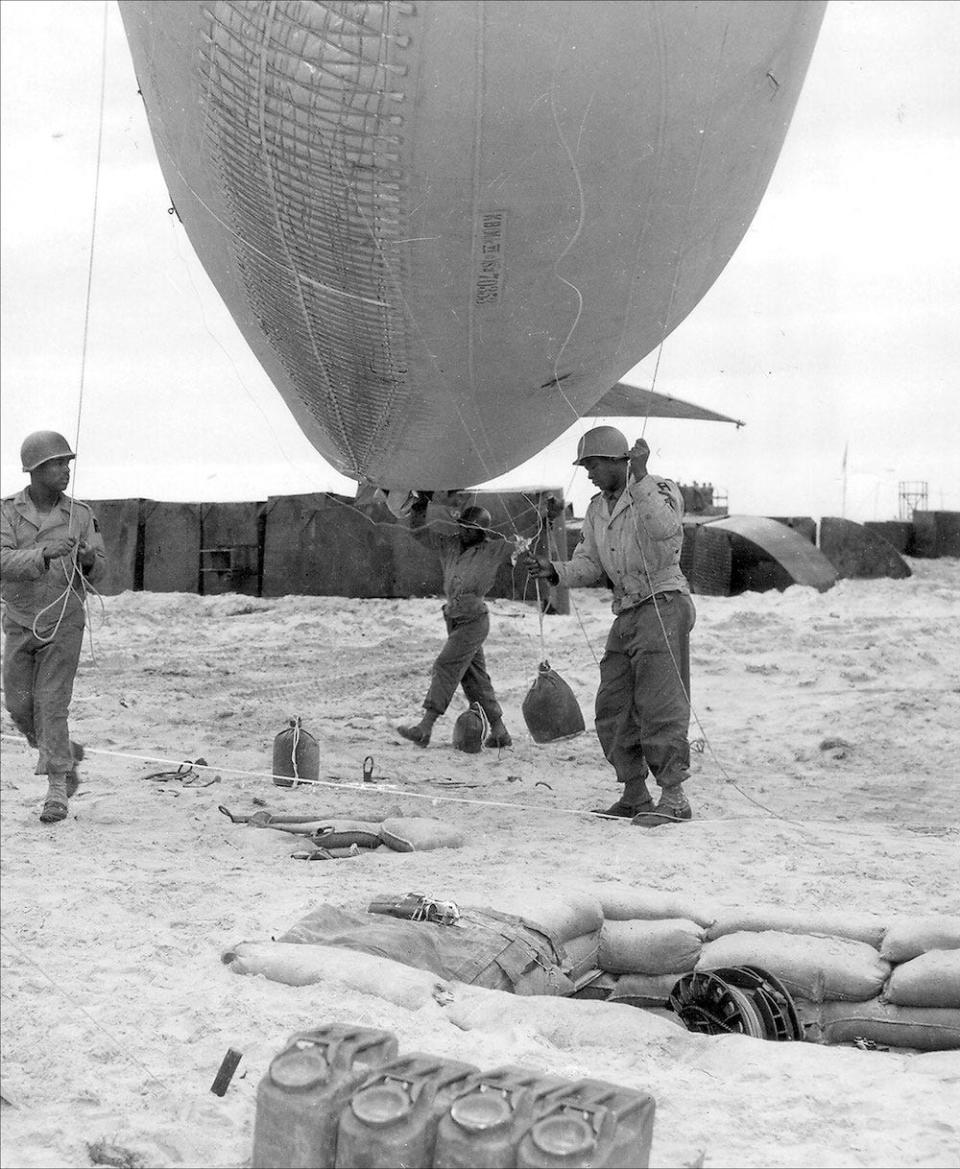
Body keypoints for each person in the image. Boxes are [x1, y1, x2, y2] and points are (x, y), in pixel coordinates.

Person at [523, 426, 695, 826]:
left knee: (660, 705)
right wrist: (555, 571)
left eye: (593, 465)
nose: (589, 474)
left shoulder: (658, 489)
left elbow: (665, 532)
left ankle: (674, 797)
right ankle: (634, 793)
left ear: (619, 461)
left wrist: (641, 478)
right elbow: (591, 563)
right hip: (628, 611)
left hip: (663, 604)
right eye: (585, 468)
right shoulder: (598, 508)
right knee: (613, 705)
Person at [1, 431, 106, 823]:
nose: (66, 471)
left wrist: (90, 558)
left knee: (51, 702)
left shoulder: (80, 514)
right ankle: (61, 751)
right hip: (20, 619)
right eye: (58, 464)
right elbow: (1, 560)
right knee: (18, 704)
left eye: (67, 464)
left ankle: (58, 788)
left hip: (64, 620)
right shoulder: (7, 511)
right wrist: (43, 553)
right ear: (36, 469)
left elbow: (104, 571)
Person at [397, 493, 513, 749]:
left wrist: (548, 514)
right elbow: (418, 533)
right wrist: (419, 508)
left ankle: (425, 727)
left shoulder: (493, 549)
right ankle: (500, 731)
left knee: (446, 665)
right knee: (475, 679)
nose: (464, 532)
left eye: (471, 529)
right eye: (462, 526)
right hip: (454, 618)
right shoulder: (449, 544)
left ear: (482, 531)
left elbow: (526, 540)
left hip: (474, 620)